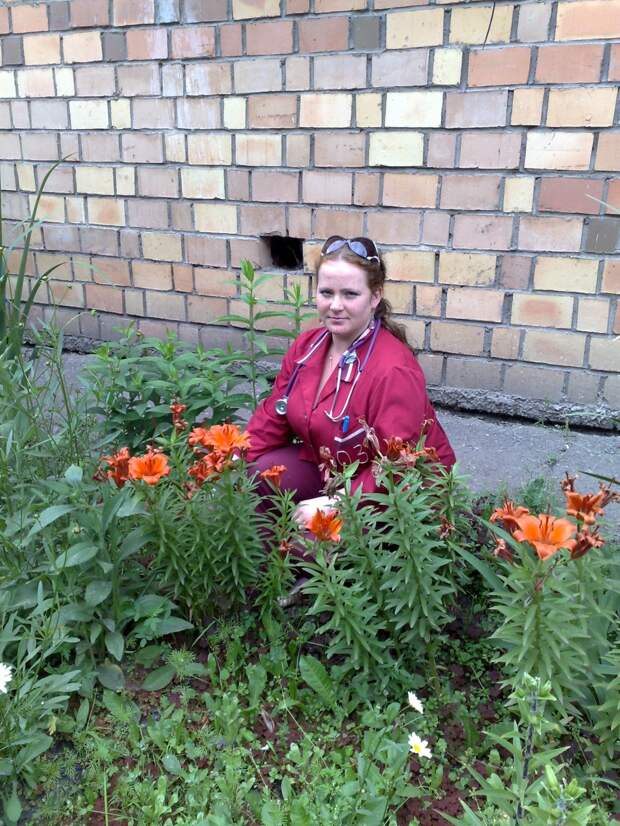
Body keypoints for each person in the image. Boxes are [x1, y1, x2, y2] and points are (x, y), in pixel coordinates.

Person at [246, 235, 456, 525]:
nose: (335, 305)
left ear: (375, 296)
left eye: (349, 294)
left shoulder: (394, 368)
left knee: (315, 537)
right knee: (260, 476)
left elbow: (397, 464)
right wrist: (231, 457)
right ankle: (270, 556)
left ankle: (306, 553)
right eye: (326, 292)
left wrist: (336, 504)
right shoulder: (307, 347)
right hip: (334, 469)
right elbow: (275, 415)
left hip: (401, 496)